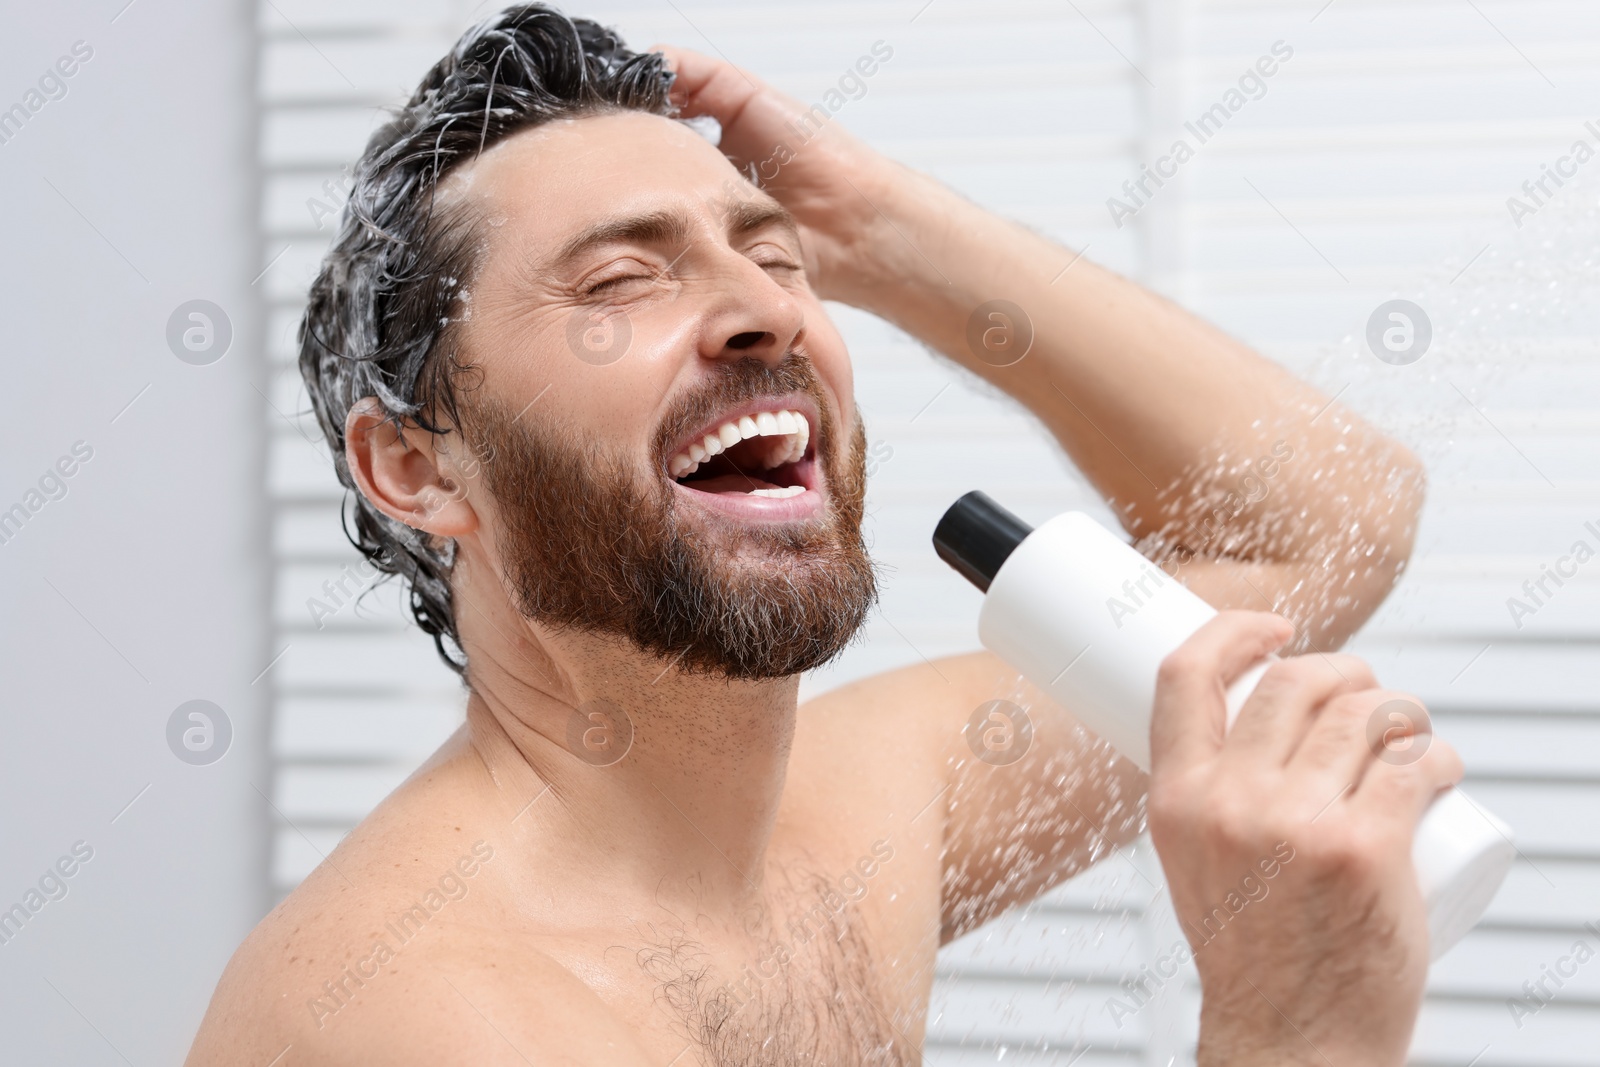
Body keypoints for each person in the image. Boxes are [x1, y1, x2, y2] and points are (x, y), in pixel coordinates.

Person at [184, 6, 1461, 1065]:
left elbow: (1320, 523)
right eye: (621, 280)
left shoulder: (861, 809)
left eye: (775, 261)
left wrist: (874, 235)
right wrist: (1297, 1033)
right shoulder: (417, 1013)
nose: (760, 313)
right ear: (413, 464)